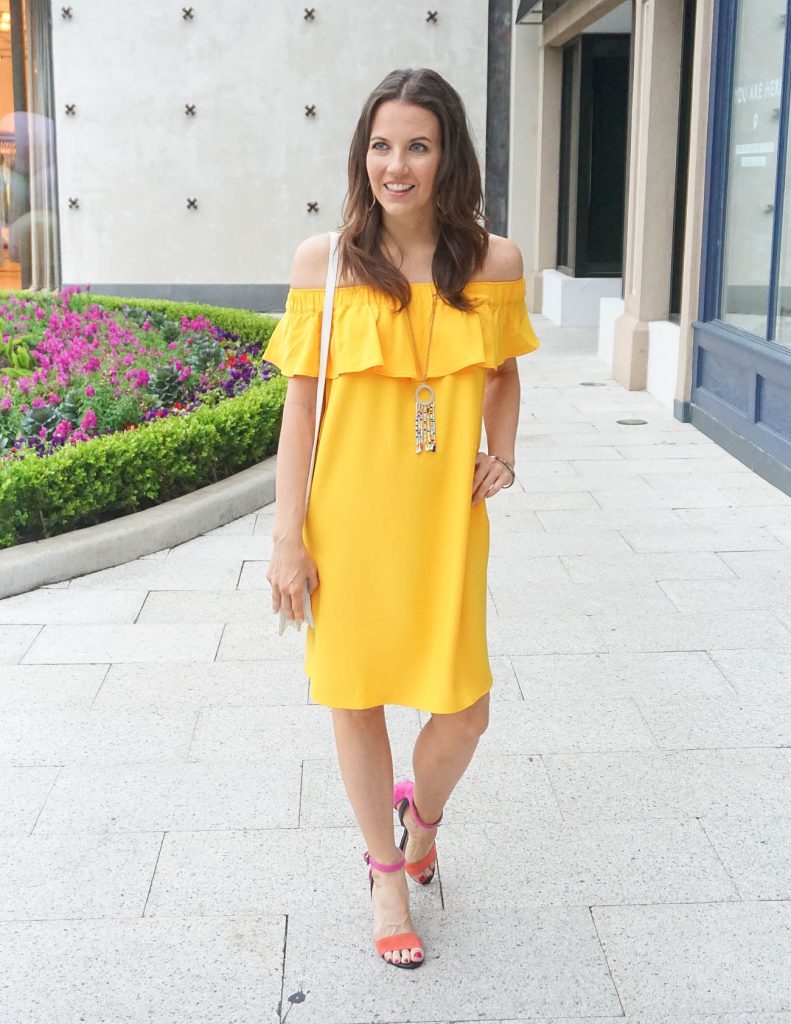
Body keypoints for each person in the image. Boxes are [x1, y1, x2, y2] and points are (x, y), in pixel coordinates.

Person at [263, 67, 539, 969]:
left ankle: (419, 815)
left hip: (444, 522)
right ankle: (385, 871)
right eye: (381, 145)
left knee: (465, 711)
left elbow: (501, 371)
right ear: (362, 155)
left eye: (417, 145)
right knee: (356, 698)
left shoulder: (492, 262)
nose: (396, 164)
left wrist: (500, 448)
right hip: (347, 518)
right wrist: (286, 540)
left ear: (447, 154)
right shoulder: (327, 264)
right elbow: (298, 409)